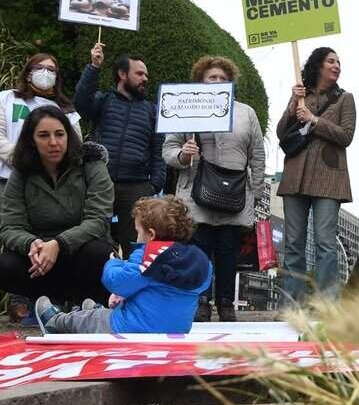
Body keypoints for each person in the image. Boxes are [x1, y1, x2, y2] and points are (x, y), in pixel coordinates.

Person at [163, 56, 265, 322]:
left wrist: (256, 190)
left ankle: (226, 303)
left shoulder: (246, 113)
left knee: (228, 250)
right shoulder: (186, 108)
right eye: (212, 78)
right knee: (199, 249)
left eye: (223, 78)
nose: (218, 82)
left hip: (234, 193)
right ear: (200, 81)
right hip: (196, 193)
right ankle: (200, 301)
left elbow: (257, 154)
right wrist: (183, 155)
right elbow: (168, 149)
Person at [34, 196, 212, 334]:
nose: (136, 236)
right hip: (176, 330)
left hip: (133, 328)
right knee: (127, 306)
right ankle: (102, 311)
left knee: (88, 319)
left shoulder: (149, 256)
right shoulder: (197, 260)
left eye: (138, 231)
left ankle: (54, 322)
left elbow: (118, 282)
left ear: (150, 234)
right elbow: (159, 288)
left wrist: (113, 264)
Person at [0, 107, 114, 307]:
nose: (53, 142)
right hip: (41, 256)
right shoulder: (20, 173)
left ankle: (86, 303)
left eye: (59, 134)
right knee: (6, 265)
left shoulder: (92, 165)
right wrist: (31, 244)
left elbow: (98, 220)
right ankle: (45, 302)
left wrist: (59, 244)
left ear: (68, 136)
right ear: (31, 140)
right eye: (44, 135)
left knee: (99, 253)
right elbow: (10, 226)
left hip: (82, 250)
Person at [0, 53, 82, 322]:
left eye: (52, 70)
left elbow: (76, 143)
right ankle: (22, 295)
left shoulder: (66, 109)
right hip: (11, 177)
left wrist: (45, 160)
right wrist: (28, 158)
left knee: (54, 239)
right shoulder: (7, 98)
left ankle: (54, 298)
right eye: (40, 68)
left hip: (52, 181)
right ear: (27, 71)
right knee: (16, 241)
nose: (46, 73)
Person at [276, 47, 355, 303]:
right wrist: (292, 105)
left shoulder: (345, 98)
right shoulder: (301, 97)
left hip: (329, 179)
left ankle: (326, 305)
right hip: (295, 176)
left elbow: (346, 136)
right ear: (318, 65)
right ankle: (291, 304)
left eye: (339, 61)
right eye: (331, 61)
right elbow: (281, 133)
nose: (337, 65)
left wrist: (315, 121)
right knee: (294, 245)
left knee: (325, 244)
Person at [74, 43, 164, 254]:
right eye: (140, 73)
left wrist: (153, 185)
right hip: (100, 182)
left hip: (137, 188)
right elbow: (81, 102)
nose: (145, 79)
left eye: (146, 74)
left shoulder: (152, 111)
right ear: (122, 74)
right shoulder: (104, 101)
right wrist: (94, 67)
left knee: (136, 249)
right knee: (93, 242)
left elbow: (158, 150)